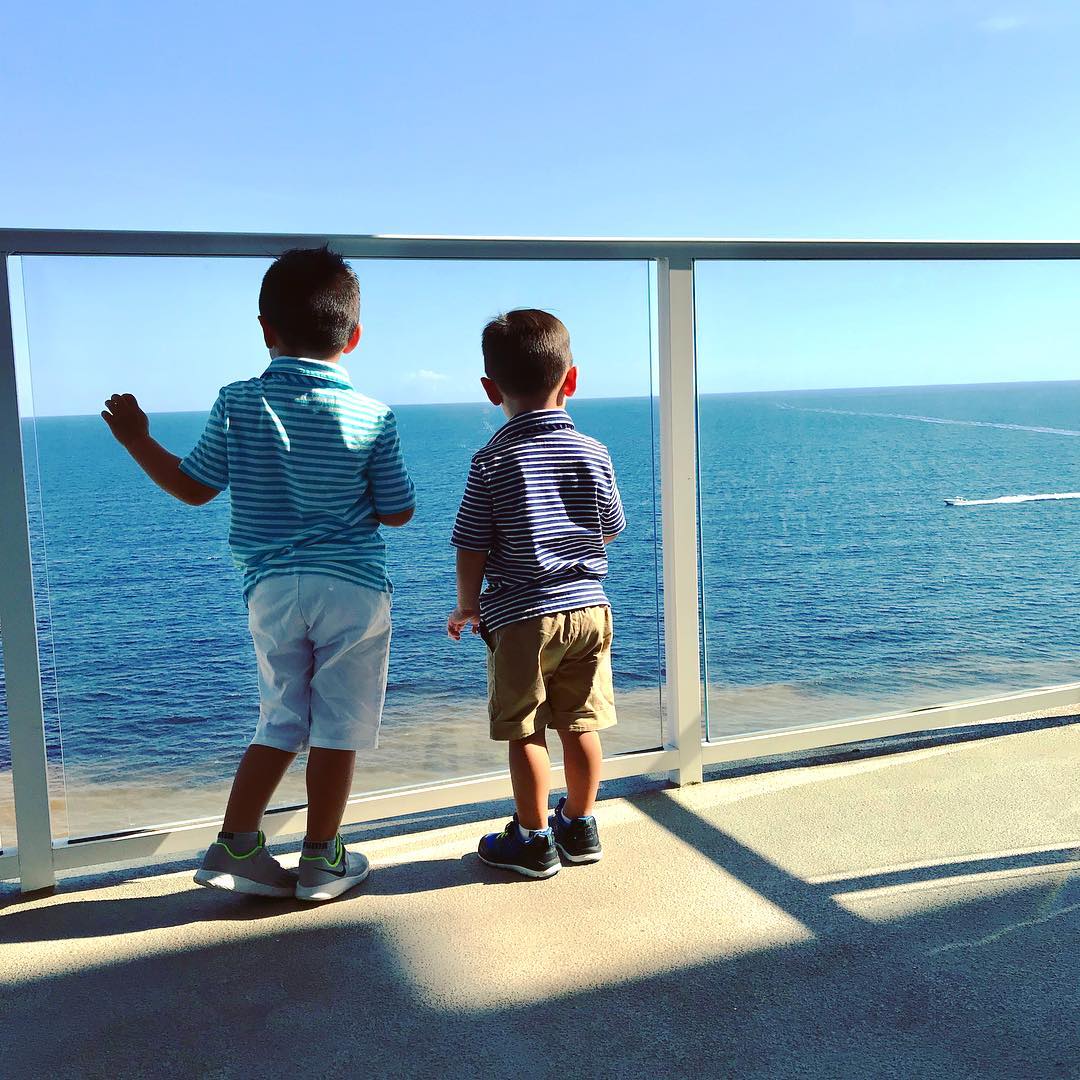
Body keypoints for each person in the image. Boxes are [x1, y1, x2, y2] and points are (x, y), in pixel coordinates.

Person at [101, 246, 415, 902]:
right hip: (352, 586)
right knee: (339, 726)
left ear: (266, 330)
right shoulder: (373, 415)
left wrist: (136, 440)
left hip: (272, 587)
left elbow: (193, 487)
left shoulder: (237, 402)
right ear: (354, 336)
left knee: (280, 718)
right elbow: (398, 510)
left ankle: (237, 842)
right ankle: (321, 859)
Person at [448, 309, 625, 878]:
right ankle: (581, 824)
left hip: (524, 616)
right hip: (590, 608)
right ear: (571, 379)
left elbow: (472, 541)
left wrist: (468, 604)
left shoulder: (492, 460)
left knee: (525, 729)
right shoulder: (592, 450)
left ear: (489, 389)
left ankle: (532, 838)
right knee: (581, 722)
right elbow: (612, 523)